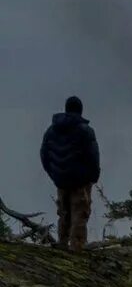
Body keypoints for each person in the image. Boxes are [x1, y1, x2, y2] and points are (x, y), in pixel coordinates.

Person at [39, 95, 101, 251]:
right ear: (80, 111)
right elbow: (93, 156)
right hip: (80, 182)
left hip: (61, 180)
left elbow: (44, 154)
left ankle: (62, 245)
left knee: (64, 215)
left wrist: (54, 174)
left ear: (66, 109)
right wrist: (93, 177)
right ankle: (76, 250)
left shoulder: (51, 131)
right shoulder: (85, 131)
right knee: (79, 215)